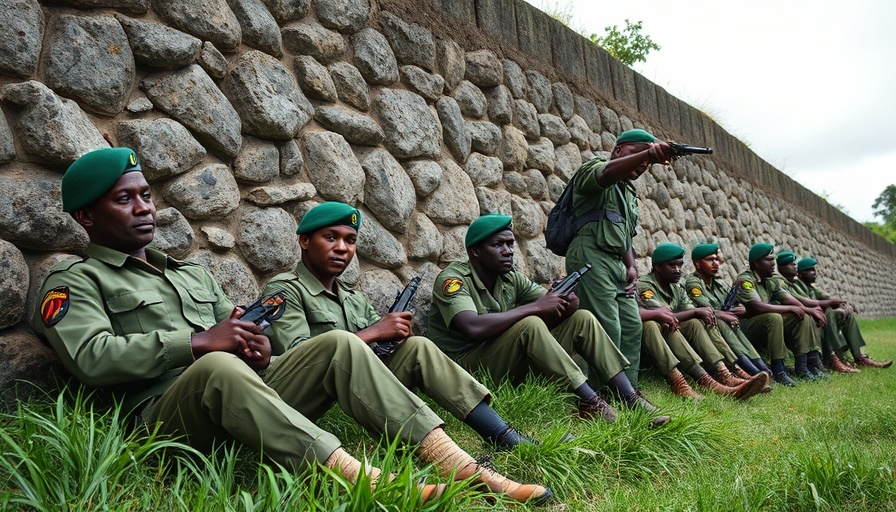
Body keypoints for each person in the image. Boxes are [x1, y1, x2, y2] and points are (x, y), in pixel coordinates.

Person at [32, 148, 552, 505]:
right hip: (161, 422)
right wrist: (198, 343)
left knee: (336, 345)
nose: (144, 207)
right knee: (216, 363)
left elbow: (232, 339)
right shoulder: (73, 282)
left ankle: (463, 467)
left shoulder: (188, 272)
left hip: (240, 398)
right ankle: (366, 483)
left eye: (145, 194)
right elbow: (92, 359)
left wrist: (254, 350)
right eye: (125, 199)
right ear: (86, 218)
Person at [262, 202, 533, 451]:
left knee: (418, 346)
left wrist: (395, 337)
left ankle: (501, 433)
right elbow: (299, 356)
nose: (343, 248)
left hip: (357, 392)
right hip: (309, 400)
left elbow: (377, 350)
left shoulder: (352, 297)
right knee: (345, 343)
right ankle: (443, 452)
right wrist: (373, 332)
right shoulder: (284, 290)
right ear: (305, 240)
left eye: (350, 240)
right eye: (331, 238)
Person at [427, 214, 670, 427]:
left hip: (504, 362)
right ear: (476, 251)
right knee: (530, 324)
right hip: (465, 371)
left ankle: (630, 397)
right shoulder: (454, 279)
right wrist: (535, 308)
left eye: (510, 244)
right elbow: (473, 327)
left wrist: (567, 302)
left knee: (581, 318)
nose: (508, 250)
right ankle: (592, 403)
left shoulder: (511, 278)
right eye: (498, 245)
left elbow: (549, 303)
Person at [564, 129, 677, 388]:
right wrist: (649, 152)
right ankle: (598, 397)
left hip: (617, 264)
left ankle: (628, 393)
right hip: (590, 256)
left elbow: (624, 231)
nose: (643, 164)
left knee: (631, 325)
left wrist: (632, 265)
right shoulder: (595, 168)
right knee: (607, 328)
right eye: (637, 154)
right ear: (617, 151)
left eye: (648, 163)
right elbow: (605, 175)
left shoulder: (627, 192)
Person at [637, 243, 769, 400]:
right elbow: (664, 314)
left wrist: (693, 313)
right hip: (647, 344)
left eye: (680, 265)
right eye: (672, 265)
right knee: (657, 323)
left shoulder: (676, 289)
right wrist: (693, 311)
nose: (678, 270)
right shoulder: (646, 285)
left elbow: (685, 311)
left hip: (670, 337)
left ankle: (725, 374)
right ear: (657, 267)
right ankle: (680, 383)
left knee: (695, 322)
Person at [735, 243, 824, 385]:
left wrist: (810, 311)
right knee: (774, 317)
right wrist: (788, 309)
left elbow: (792, 301)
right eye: (768, 260)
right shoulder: (745, 280)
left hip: (765, 327)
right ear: (756, 263)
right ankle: (779, 370)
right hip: (746, 329)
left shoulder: (770, 280)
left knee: (802, 316)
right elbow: (757, 306)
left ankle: (803, 366)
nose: (773, 264)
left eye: (773, 259)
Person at [684, 243, 774, 378]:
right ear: (697, 263)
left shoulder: (719, 284)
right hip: (708, 326)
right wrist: (725, 315)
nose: (715, 263)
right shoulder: (694, 283)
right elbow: (704, 308)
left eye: (716, 259)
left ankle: (761, 367)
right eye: (709, 260)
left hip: (728, 326)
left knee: (732, 324)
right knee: (721, 322)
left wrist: (741, 308)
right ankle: (747, 368)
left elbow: (735, 302)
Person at [789, 256, 890, 369]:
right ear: (800, 274)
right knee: (828, 312)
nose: (814, 273)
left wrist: (844, 306)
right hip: (810, 327)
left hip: (820, 324)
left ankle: (859, 357)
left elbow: (828, 299)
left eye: (815, 270)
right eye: (810, 270)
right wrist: (832, 304)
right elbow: (811, 303)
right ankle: (834, 358)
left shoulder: (811, 288)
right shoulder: (795, 286)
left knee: (848, 316)